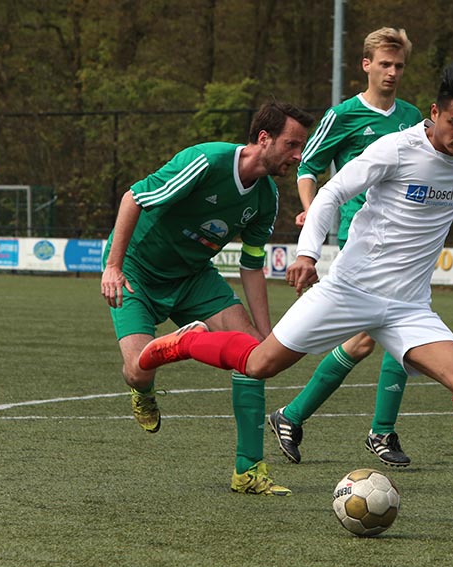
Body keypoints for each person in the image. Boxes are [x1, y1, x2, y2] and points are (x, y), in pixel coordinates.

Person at [137, 62, 453, 520]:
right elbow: (331, 195)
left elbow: (428, 194)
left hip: (408, 307)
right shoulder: (395, 148)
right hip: (350, 291)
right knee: (259, 363)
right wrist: (308, 254)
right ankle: (186, 342)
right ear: (434, 112)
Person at [100, 100, 314, 495]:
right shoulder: (206, 162)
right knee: (138, 370)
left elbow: (252, 265)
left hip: (193, 277)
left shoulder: (266, 198)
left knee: (254, 356)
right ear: (263, 138)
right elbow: (133, 198)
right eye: (292, 144)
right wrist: (113, 267)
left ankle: (247, 471)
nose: (298, 156)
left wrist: (266, 335)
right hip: (137, 269)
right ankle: (144, 389)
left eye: (301, 146)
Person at [271, 27, 424, 468]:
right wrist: (311, 211)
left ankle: (292, 416)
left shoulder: (413, 116)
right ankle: (379, 431)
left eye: (399, 66)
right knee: (397, 333)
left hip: (404, 241)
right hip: (363, 242)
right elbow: (308, 168)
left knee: (366, 341)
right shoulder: (342, 116)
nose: (392, 72)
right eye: (385, 64)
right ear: (366, 65)